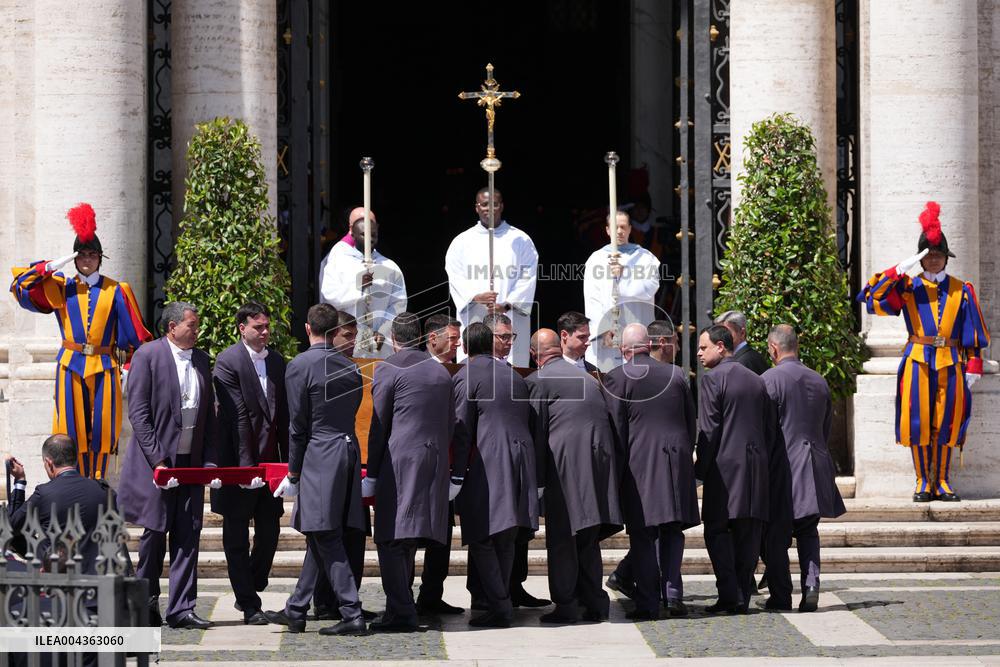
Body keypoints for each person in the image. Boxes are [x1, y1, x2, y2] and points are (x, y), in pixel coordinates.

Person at [9, 203, 152, 479]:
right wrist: (51, 265)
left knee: (103, 430)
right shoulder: (61, 286)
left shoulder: (117, 290)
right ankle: (71, 485)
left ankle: (96, 483)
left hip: (105, 365)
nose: (87, 259)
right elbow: (19, 287)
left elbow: (135, 335)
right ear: (74, 258)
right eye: (82, 254)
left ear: (100, 257)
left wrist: (131, 368)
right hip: (70, 364)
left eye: (92, 254)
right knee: (70, 432)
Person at [859, 201, 990, 502]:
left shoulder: (962, 289)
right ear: (920, 259)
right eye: (928, 255)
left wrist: (974, 366)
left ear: (946, 257)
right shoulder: (908, 287)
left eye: (938, 254)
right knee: (918, 421)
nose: (933, 260)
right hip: (918, 359)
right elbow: (871, 296)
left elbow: (973, 333)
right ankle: (922, 481)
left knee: (947, 421)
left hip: (952, 361)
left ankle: (941, 480)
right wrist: (899, 269)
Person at [264, 304, 368, 636]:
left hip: (321, 454)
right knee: (319, 532)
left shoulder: (300, 365)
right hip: (348, 450)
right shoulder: (350, 367)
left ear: (308, 328)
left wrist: (293, 473)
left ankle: (352, 612)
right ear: (333, 330)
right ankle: (296, 609)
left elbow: (298, 426)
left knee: (325, 533)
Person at [118, 302, 218, 629]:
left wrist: (210, 463)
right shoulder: (147, 356)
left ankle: (182, 608)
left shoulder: (202, 359)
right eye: (192, 324)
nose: (197, 329)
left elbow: (209, 415)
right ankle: (144, 607)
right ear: (172, 327)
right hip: (157, 462)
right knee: (154, 535)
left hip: (191, 462)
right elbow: (139, 414)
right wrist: (158, 460)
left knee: (188, 533)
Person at [365, 312, 454, 632]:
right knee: (409, 539)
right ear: (420, 337)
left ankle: (401, 612)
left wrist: (371, 473)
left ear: (393, 340)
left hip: (398, 462)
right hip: (433, 462)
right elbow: (449, 424)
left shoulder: (388, 368)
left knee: (390, 538)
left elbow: (378, 425)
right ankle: (399, 606)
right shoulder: (441, 372)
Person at [603, 324, 699, 620]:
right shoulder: (676, 375)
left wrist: (615, 474)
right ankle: (672, 596)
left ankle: (647, 602)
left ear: (624, 349)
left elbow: (617, 431)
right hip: (676, 464)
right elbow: (690, 423)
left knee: (644, 536)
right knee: (673, 532)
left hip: (639, 468)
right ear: (648, 345)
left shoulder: (617, 378)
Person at [527, 328, 622, 624]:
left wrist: (537, 482)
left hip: (563, 470)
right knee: (588, 539)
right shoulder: (590, 379)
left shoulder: (538, 381)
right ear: (559, 346)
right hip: (597, 469)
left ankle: (566, 604)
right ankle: (595, 603)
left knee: (562, 540)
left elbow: (537, 434)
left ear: (534, 355)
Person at [451, 322, 539, 627]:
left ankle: (499, 605)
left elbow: (462, 429)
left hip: (488, 462)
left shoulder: (467, 375)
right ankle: (500, 601)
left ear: (464, 347)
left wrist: (457, 475)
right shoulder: (514, 376)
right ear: (490, 345)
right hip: (521, 460)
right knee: (506, 537)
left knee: (480, 536)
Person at [210, 302, 289, 626]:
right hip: (237, 463)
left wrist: (289, 464)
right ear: (242, 328)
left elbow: (283, 416)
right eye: (258, 327)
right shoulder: (228, 361)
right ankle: (248, 602)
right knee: (236, 536)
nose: (265, 332)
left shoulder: (279, 362)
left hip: (270, 465)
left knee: (270, 532)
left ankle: (253, 582)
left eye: (267, 326)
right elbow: (238, 416)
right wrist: (244, 470)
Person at [761, 324, 846, 613]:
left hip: (784, 468)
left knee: (776, 535)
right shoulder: (819, 380)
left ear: (773, 348)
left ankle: (781, 595)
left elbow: (765, 430)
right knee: (809, 531)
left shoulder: (769, 379)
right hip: (815, 464)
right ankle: (811, 585)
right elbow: (825, 427)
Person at [695, 325, 774, 615]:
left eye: (704, 348)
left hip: (724, 472)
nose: (699, 354)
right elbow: (769, 428)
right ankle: (742, 592)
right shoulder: (756, 379)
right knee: (748, 533)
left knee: (716, 531)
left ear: (720, 346)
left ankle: (730, 594)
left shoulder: (713, 379)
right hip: (756, 468)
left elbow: (709, 429)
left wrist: (699, 471)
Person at [311, 308, 376, 622]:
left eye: (355, 336)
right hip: (323, 464)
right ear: (331, 335)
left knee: (352, 532)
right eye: (347, 335)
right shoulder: (312, 367)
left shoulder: (354, 368)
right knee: (326, 533)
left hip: (351, 460)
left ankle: (347, 600)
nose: (353, 342)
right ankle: (326, 602)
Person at [483, 313, 550, 609]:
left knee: (519, 527)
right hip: (490, 464)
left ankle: (514, 585)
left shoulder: (514, 373)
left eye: (512, 338)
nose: (509, 343)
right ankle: (490, 594)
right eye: (503, 337)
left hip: (519, 460)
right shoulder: (476, 372)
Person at [445, 188, 538, 367]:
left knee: (510, 374)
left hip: (509, 316)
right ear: (476, 207)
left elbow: (528, 277)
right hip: (475, 316)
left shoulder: (520, 240)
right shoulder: (461, 242)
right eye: (484, 204)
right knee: (474, 371)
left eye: (494, 204)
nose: (489, 208)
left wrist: (506, 304)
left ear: (502, 206)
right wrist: (475, 296)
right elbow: (455, 276)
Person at [413, 313, 465, 616]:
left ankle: (431, 594)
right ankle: (403, 597)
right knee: (408, 536)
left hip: (444, 467)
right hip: (416, 466)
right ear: (433, 339)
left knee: (442, 538)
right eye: (453, 339)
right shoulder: (414, 369)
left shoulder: (457, 372)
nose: (457, 345)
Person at [5, 435, 117, 575]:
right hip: (96, 579)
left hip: (56, 578)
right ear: (75, 459)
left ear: (49, 462)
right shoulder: (102, 491)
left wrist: (20, 481)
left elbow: (11, 528)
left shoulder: (44, 493)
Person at [319, 207, 407, 359]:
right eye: (363, 230)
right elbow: (329, 296)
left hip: (379, 345)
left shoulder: (390, 267)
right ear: (351, 230)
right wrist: (357, 288)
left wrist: (383, 333)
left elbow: (398, 305)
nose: (368, 236)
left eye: (371, 228)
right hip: (346, 342)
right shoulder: (337, 260)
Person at [584, 211, 661, 372]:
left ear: (630, 229)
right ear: (607, 230)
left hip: (637, 326)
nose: (619, 231)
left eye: (623, 227)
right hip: (609, 334)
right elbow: (592, 300)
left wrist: (624, 276)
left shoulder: (645, 258)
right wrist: (602, 330)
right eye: (615, 227)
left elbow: (649, 288)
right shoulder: (596, 259)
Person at [714, 310, 769, 375]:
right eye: (720, 333)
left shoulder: (744, 362)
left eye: (727, 333)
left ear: (742, 333)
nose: (722, 337)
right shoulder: (748, 357)